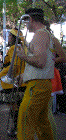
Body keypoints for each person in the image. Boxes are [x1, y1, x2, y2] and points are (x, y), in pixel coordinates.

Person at [16, 8, 62, 140]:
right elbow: (44, 61)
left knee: (25, 121)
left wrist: (22, 56)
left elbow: (40, 62)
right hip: (42, 84)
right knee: (42, 124)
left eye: (26, 22)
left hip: (37, 86)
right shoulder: (46, 34)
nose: (25, 25)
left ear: (30, 19)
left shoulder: (40, 35)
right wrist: (25, 75)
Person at [0, 28, 26, 137]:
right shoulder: (21, 48)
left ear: (14, 38)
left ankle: (17, 129)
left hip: (13, 83)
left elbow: (14, 67)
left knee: (14, 108)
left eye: (9, 36)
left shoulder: (14, 48)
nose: (8, 38)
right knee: (17, 107)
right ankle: (18, 128)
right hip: (20, 82)